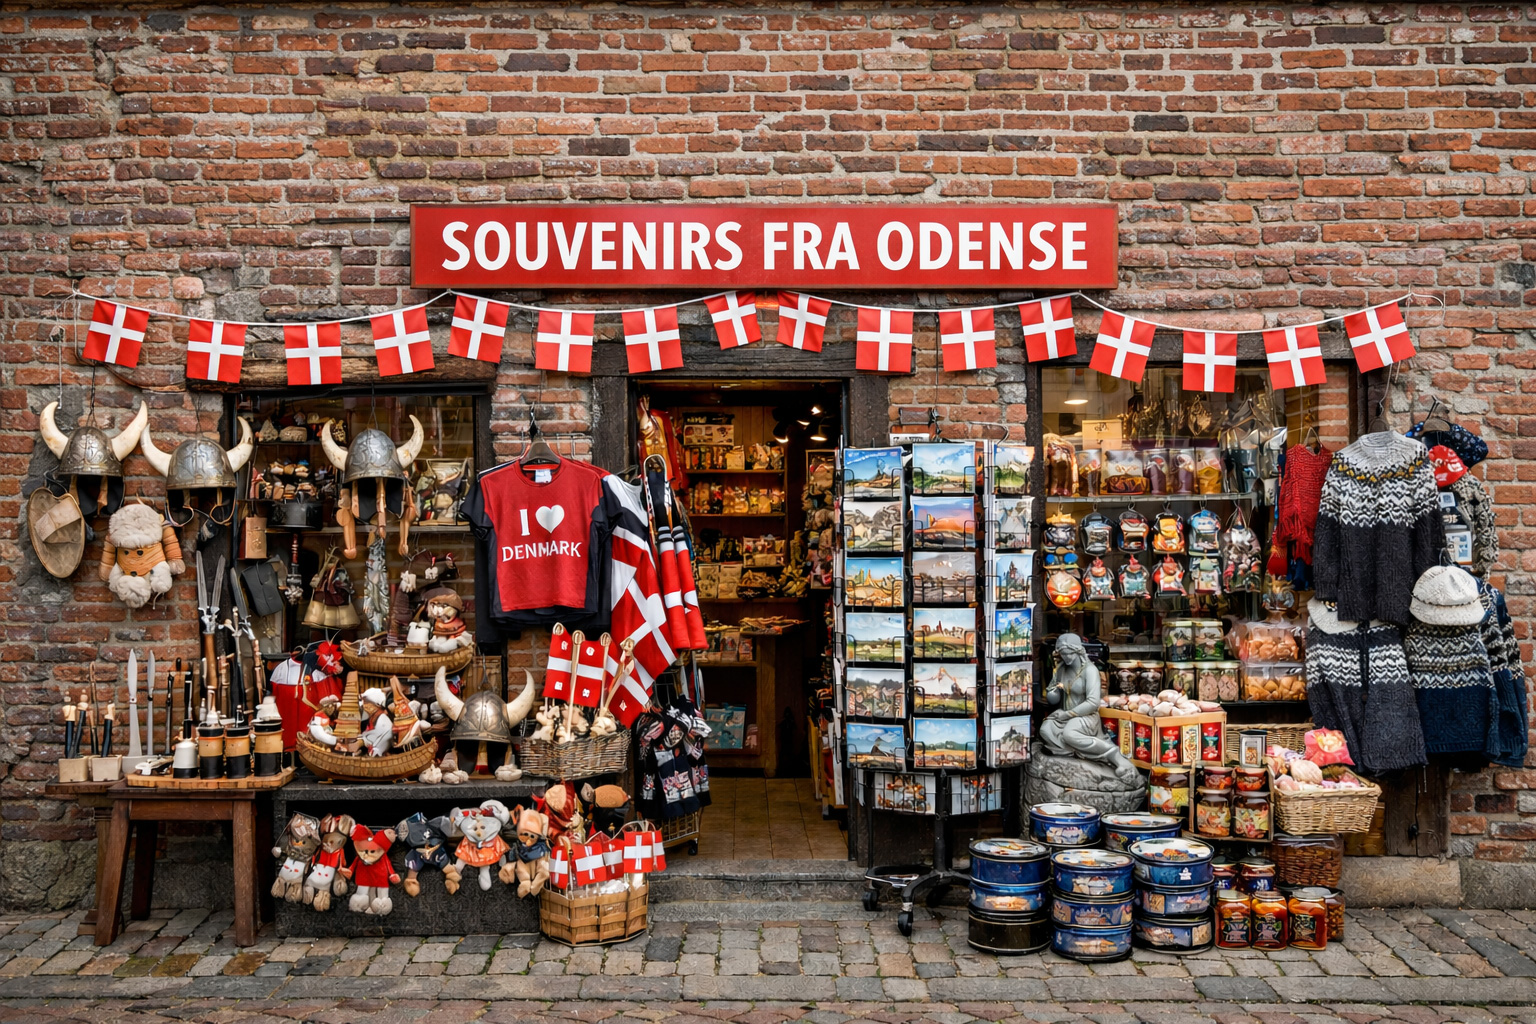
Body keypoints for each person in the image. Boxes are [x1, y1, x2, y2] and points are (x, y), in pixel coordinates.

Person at [1040, 633, 1140, 785]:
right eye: (1062, 654)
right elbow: (1054, 699)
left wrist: (1067, 715)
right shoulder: (1061, 669)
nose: (1066, 657)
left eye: (1069, 653)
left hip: (1086, 716)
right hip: (1065, 715)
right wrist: (1052, 691)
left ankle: (1114, 756)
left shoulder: (1090, 670)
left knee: (1070, 733)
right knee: (1045, 729)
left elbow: (1093, 703)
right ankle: (1073, 751)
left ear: (1078, 651)